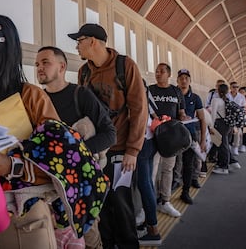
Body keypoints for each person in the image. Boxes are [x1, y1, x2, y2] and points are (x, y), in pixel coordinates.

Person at [0, 14, 109, 249]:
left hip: (24, 220)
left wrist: (12, 166)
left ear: (4, 45)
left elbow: (64, 160)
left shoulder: (30, 97)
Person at [68, 23, 148, 249]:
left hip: (121, 150)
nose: (77, 46)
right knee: (99, 206)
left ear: (92, 41)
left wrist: (132, 151)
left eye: (79, 41)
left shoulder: (125, 66)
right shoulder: (84, 72)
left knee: (121, 205)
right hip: (95, 150)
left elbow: (139, 110)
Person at [35, 45, 117, 249]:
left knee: (89, 239)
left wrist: (77, 153)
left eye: (45, 62)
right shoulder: (37, 100)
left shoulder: (81, 95)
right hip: (47, 189)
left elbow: (110, 134)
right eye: (37, 64)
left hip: (80, 186)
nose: (39, 68)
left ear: (62, 67)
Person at [149, 63, 187, 217]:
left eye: (162, 71)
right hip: (153, 135)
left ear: (169, 74)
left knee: (167, 169)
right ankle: (149, 202)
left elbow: (181, 112)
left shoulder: (176, 91)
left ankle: (165, 201)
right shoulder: (150, 90)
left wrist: (184, 117)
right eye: (157, 71)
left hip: (171, 138)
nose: (158, 74)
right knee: (152, 170)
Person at [173, 69, 206, 204]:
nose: (184, 80)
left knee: (188, 164)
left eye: (186, 78)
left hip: (190, 136)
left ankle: (185, 191)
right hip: (174, 136)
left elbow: (202, 119)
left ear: (190, 80)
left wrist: (203, 140)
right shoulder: (173, 94)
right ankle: (174, 184)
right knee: (174, 163)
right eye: (181, 78)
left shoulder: (195, 98)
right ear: (177, 80)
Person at [135, 79, 162, 246]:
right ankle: (149, 221)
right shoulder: (146, 90)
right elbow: (155, 115)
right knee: (148, 184)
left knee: (144, 184)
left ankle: (153, 230)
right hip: (151, 141)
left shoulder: (136, 93)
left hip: (142, 142)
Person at [210, 84, 233, 175]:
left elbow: (213, 114)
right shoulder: (227, 100)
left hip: (220, 124)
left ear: (218, 91)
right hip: (228, 124)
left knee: (222, 145)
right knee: (223, 144)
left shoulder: (216, 100)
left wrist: (211, 126)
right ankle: (224, 163)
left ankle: (224, 167)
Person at [227, 81, 246, 166]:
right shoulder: (227, 95)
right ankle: (230, 145)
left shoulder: (241, 96)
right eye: (234, 86)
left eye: (237, 87)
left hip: (237, 116)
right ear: (230, 87)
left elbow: (244, 107)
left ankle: (235, 146)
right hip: (228, 116)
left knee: (237, 132)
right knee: (229, 132)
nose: (235, 88)